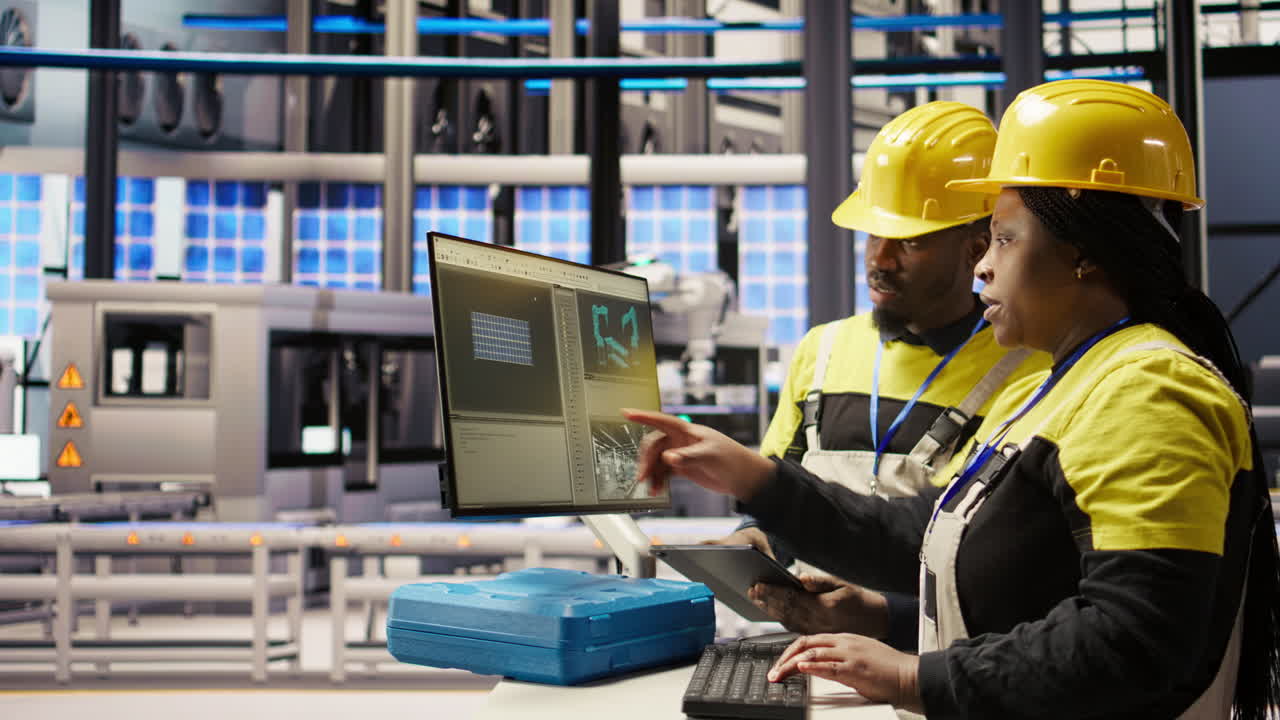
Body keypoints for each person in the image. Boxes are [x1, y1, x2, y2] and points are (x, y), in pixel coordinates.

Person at [626, 78, 1280, 719]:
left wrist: (914, 677)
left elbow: (1132, 642)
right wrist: (757, 480)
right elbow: (925, 532)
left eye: (1004, 238)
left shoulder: (1148, 393)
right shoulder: (1063, 385)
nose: (983, 265)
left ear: (1082, 253)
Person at [709, 102, 1050, 644]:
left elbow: (991, 560)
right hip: (809, 649)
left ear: (976, 248)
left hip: (938, 660)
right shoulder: (822, 350)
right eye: (873, 234)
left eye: (909, 241)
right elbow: (785, 494)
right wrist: (756, 539)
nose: (880, 259)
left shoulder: (1026, 372)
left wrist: (883, 616)